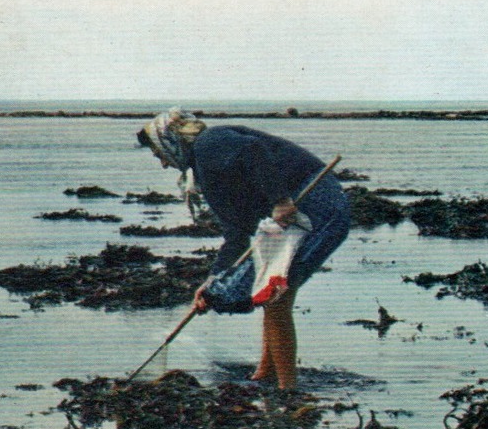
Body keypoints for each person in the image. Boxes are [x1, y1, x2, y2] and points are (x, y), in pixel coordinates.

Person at [137, 109, 350, 390]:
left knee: (275, 296)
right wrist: (212, 280)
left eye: (158, 154)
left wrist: (280, 200)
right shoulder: (204, 170)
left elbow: (254, 151)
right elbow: (236, 233)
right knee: (268, 291)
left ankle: (287, 389)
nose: (163, 163)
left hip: (315, 199)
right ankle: (265, 372)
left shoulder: (211, 142)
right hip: (301, 207)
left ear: (170, 141)